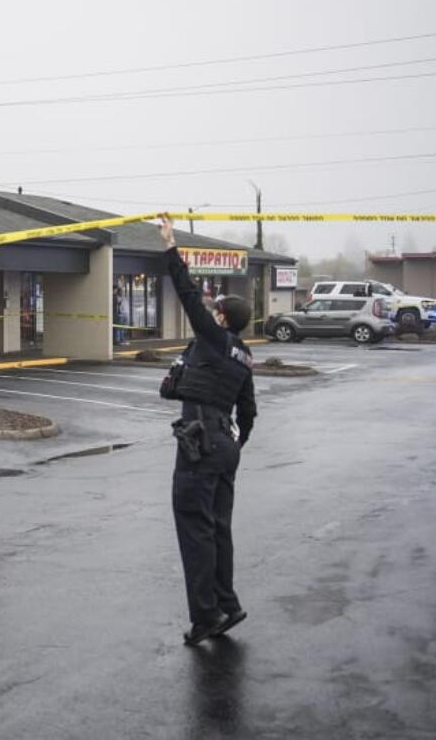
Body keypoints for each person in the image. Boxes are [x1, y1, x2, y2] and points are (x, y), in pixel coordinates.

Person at [159, 215, 257, 646]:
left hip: (200, 444)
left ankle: (206, 617)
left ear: (222, 318)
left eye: (215, 311)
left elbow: (186, 295)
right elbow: (249, 411)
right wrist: (236, 442)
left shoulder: (216, 341)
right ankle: (228, 604)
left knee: (195, 530)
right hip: (224, 445)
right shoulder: (243, 355)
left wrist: (170, 247)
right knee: (218, 528)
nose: (210, 312)